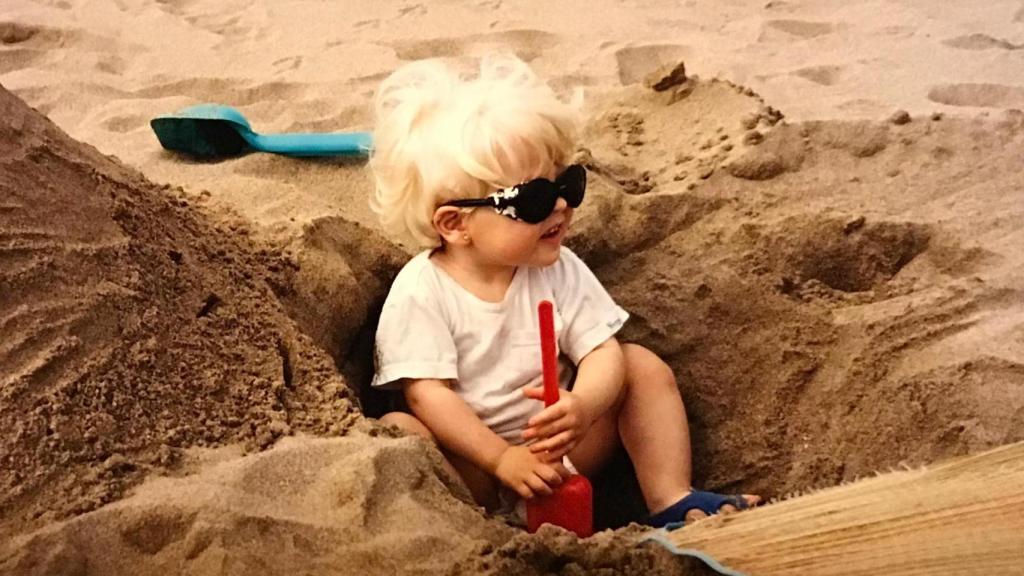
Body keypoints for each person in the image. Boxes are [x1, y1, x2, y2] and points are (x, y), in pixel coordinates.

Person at [368, 54, 758, 528]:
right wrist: (500, 459)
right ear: (455, 224)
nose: (559, 205)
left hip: (561, 450)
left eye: (567, 184)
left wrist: (585, 405)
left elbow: (601, 350)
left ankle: (670, 497)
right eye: (531, 199)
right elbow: (427, 395)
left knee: (640, 365)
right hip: (475, 471)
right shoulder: (422, 290)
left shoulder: (557, 268)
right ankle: (459, 529)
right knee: (400, 432)